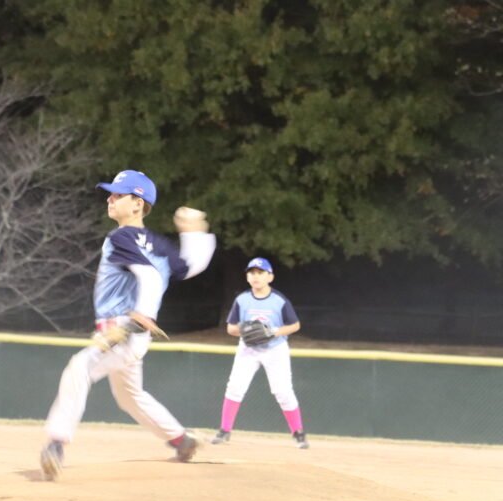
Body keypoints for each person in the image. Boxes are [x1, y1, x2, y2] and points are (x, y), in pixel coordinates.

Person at [39, 170, 216, 480]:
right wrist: (195, 234)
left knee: (79, 368)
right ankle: (182, 440)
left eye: (118, 194)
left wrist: (140, 316)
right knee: (129, 396)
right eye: (111, 193)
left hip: (123, 328)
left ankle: (56, 444)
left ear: (138, 204)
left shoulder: (120, 237)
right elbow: (189, 267)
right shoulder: (159, 244)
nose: (110, 198)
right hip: (133, 333)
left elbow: (148, 276)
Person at [211, 257, 309, 448]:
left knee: (283, 391)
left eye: (260, 273)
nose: (255, 276)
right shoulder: (242, 300)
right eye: (252, 273)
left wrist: (273, 332)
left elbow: (295, 325)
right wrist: (246, 330)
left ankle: (298, 433)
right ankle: (224, 431)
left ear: (270, 277)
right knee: (235, 387)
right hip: (248, 348)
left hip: (275, 349)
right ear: (247, 277)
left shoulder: (279, 300)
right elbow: (231, 328)